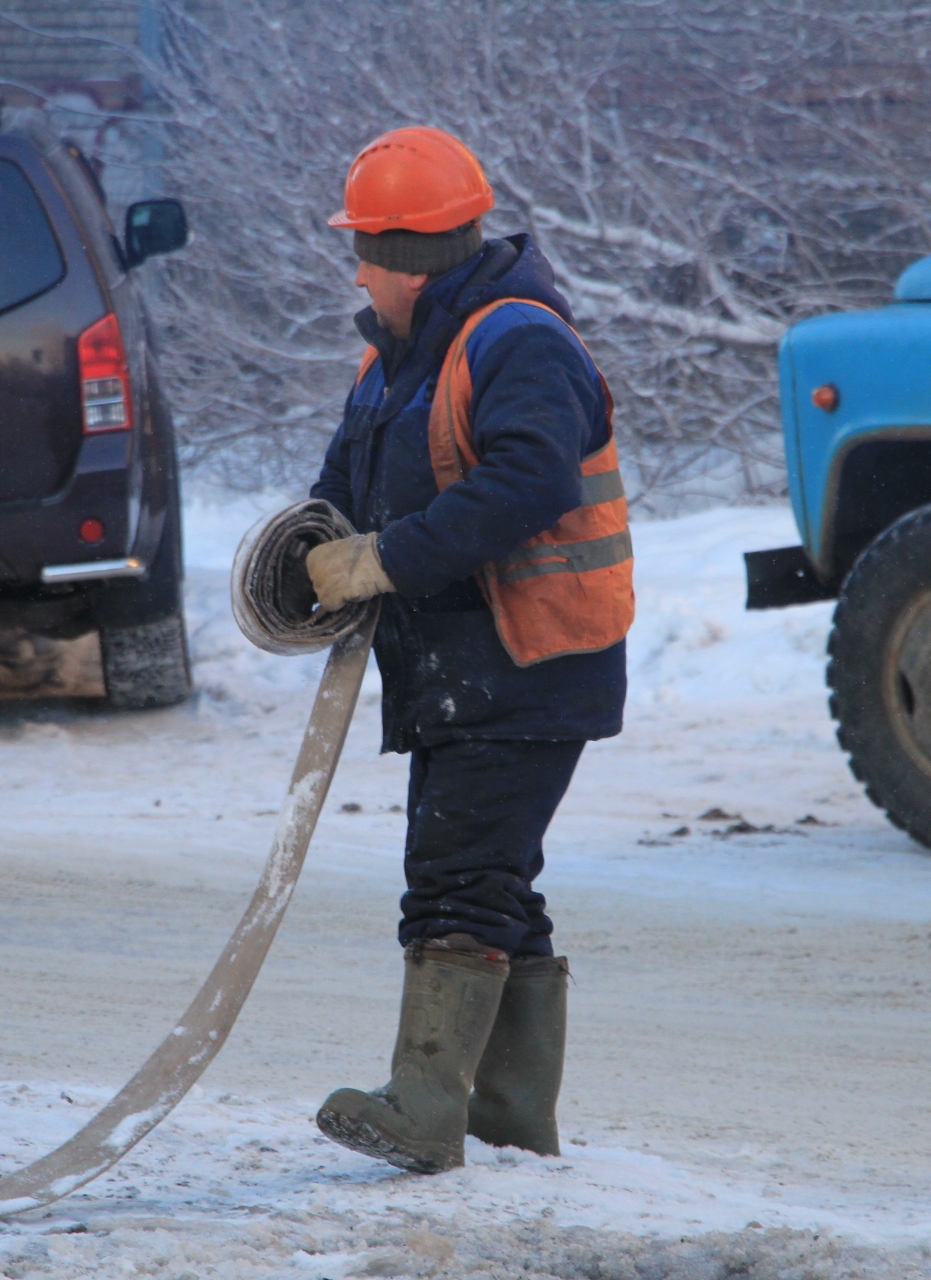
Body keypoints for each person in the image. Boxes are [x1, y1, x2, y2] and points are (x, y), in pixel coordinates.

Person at [301, 125, 633, 1174]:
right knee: (494, 881)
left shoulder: (518, 341)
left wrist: (386, 559)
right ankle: (512, 1119)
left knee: (455, 881)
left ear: (409, 259)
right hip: (457, 672)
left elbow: (529, 480)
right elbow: (336, 502)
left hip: (529, 664)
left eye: (364, 247)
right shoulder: (393, 361)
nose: (356, 267)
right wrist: (303, 564)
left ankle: (426, 1107)